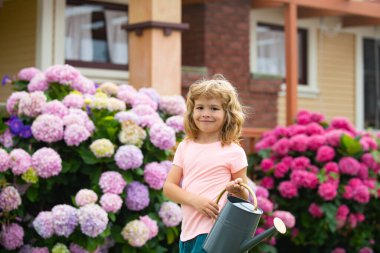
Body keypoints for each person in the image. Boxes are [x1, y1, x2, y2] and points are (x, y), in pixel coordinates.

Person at [163, 75, 249, 253]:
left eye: (214, 108)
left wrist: (237, 190)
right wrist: (194, 200)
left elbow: (244, 199)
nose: (206, 113)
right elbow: (169, 188)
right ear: (191, 111)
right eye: (200, 107)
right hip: (186, 234)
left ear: (228, 114)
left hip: (215, 233)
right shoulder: (185, 147)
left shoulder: (233, 151)